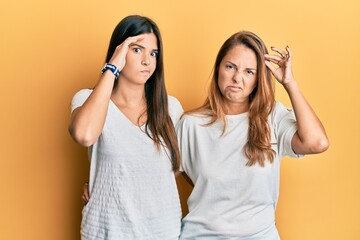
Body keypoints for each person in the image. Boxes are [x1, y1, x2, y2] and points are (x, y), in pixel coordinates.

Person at [176, 31, 329, 239]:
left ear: (258, 79)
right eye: (230, 67)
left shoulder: (272, 117)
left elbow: (317, 142)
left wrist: (290, 83)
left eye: (249, 72)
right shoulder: (191, 124)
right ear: (218, 69)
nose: (237, 78)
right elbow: (171, 178)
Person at [69, 15, 183, 239]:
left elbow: (176, 168)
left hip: (162, 231)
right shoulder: (87, 99)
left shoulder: (171, 107)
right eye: (137, 49)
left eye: (153, 53)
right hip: (107, 231)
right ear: (119, 50)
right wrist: (112, 67)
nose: (147, 61)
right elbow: (84, 135)